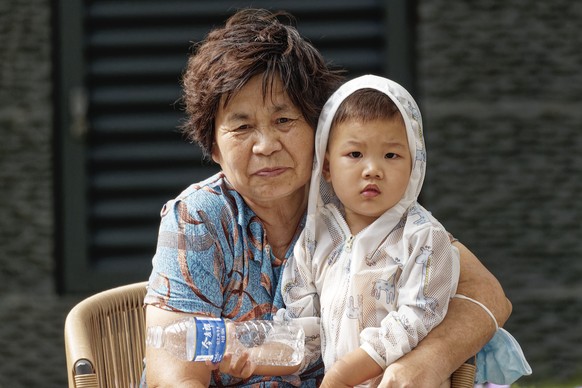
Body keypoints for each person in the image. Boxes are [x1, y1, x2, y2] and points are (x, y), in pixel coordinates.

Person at [142, 8, 512, 388]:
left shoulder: (355, 197)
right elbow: (174, 379)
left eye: (284, 120)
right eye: (241, 126)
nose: (266, 145)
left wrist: (427, 360)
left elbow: (488, 293)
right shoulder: (199, 218)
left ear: (318, 127)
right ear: (214, 147)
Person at [278, 75, 531, 387]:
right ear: (327, 166)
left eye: (391, 155)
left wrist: (343, 375)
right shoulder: (317, 237)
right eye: (355, 154)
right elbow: (305, 321)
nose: (372, 169)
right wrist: (262, 356)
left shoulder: (423, 238)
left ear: (414, 165)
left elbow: (416, 318)